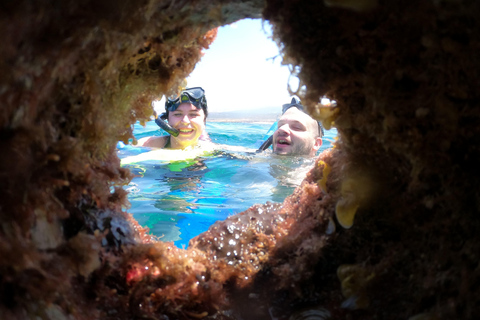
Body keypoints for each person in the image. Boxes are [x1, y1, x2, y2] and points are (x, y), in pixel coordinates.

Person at [138, 87, 209, 149]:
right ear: (167, 119)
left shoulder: (213, 153)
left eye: (193, 114)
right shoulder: (144, 145)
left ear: (204, 120)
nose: (185, 121)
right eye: (177, 114)